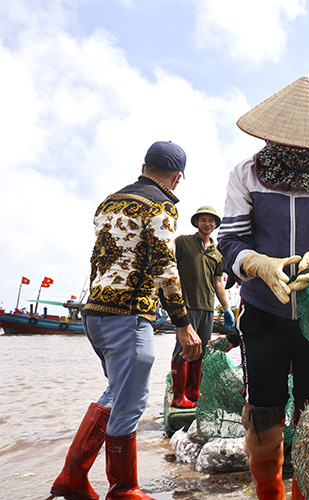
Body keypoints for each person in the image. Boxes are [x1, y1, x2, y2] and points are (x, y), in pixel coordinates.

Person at [216, 76, 309, 500]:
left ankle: (305, 491)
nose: (300, 151)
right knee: (263, 408)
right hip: (263, 312)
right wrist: (256, 264)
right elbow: (230, 241)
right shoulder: (246, 173)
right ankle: (268, 491)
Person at [50, 141, 202, 500]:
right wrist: (183, 322)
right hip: (129, 316)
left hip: (94, 314)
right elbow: (165, 268)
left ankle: (72, 477)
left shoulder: (109, 201)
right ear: (177, 178)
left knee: (117, 391)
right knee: (132, 401)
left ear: (144, 165)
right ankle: (123, 489)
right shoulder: (161, 204)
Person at [170, 206, 235, 408]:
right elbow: (168, 270)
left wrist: (226, 308)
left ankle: (193, 391)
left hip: (207, 307)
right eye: (203, 220)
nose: (207, 224)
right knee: (183, 348)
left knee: (201, 350)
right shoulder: (182, 242)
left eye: (211, 221)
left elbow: (218, 282)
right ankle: (178, 395)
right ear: (196, 222)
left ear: (215, 225)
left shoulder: (218, 253)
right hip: (185, 306)